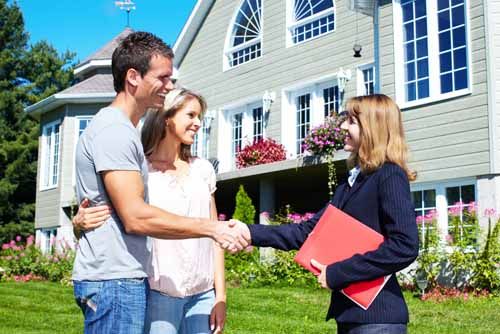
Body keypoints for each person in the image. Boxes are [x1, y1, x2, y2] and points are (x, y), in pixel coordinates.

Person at [72, 31, 247, 334]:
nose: (169, 86)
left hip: (125, 279)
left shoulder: (123, 132)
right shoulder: (114, 132)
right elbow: (136, 217)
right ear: (133, 77)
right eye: (163, 77)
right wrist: (212, 227)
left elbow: (113, 206)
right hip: (114, 280)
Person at [242, 94, 419, 334]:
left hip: (377, 320)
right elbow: (309, 232)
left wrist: (338, 272)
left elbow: (404, 246)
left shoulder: (389, 175)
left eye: (352, 121)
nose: (344, 126)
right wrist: (248, 232)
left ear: (373, 128)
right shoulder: (352, 182)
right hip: (352, 317)